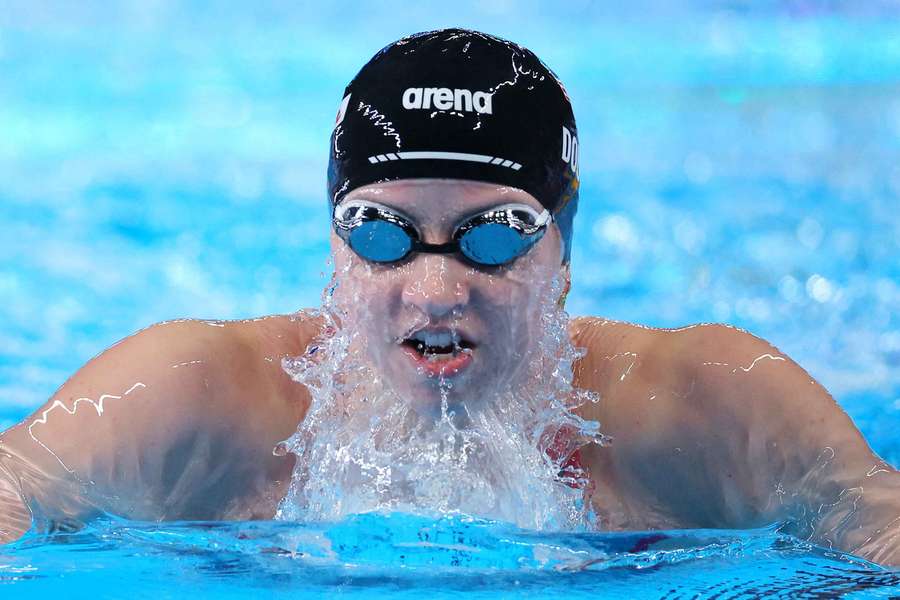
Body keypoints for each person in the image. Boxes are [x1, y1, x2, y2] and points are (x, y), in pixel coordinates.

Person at [0, 28, 897, 565]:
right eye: (382, 232)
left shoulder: (708, 407)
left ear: (566, 246)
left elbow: (875, 520)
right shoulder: (192, 396)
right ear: (333, 244)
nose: (434, 292)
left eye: (496, 234)